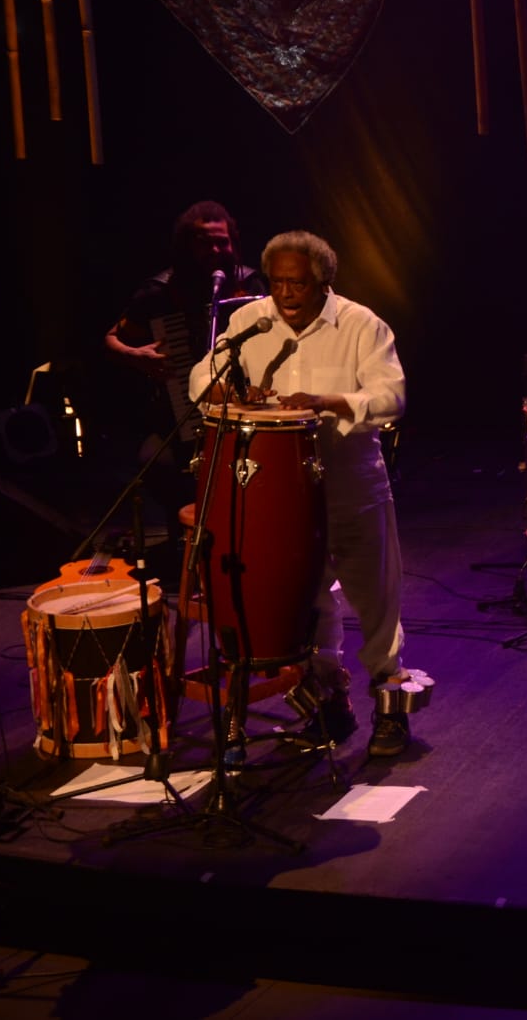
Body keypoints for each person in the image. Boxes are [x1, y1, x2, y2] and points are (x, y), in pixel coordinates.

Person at [189, 230, 419, 757]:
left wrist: (324, 401)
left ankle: (389, 698)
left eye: (298, 283)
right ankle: (329, 701)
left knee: (375, 598)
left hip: (351, 485)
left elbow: (392, 397)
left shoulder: (361, 325)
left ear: (323, 282)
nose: (286, 293)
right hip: (284, 499)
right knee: (310, 601)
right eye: (277, 282)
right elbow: (204, 372)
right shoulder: (252, 320)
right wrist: (214, 387)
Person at [103, 201, 267, 575]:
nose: (215, 252)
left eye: (222, 243)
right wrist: (136, 355)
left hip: (245, 411)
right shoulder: (158, 293)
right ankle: (189, 542)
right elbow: (110, 338)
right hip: (178, 415)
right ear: (184, 247)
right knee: (153, 462)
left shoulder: (251, 284)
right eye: (204, 244)